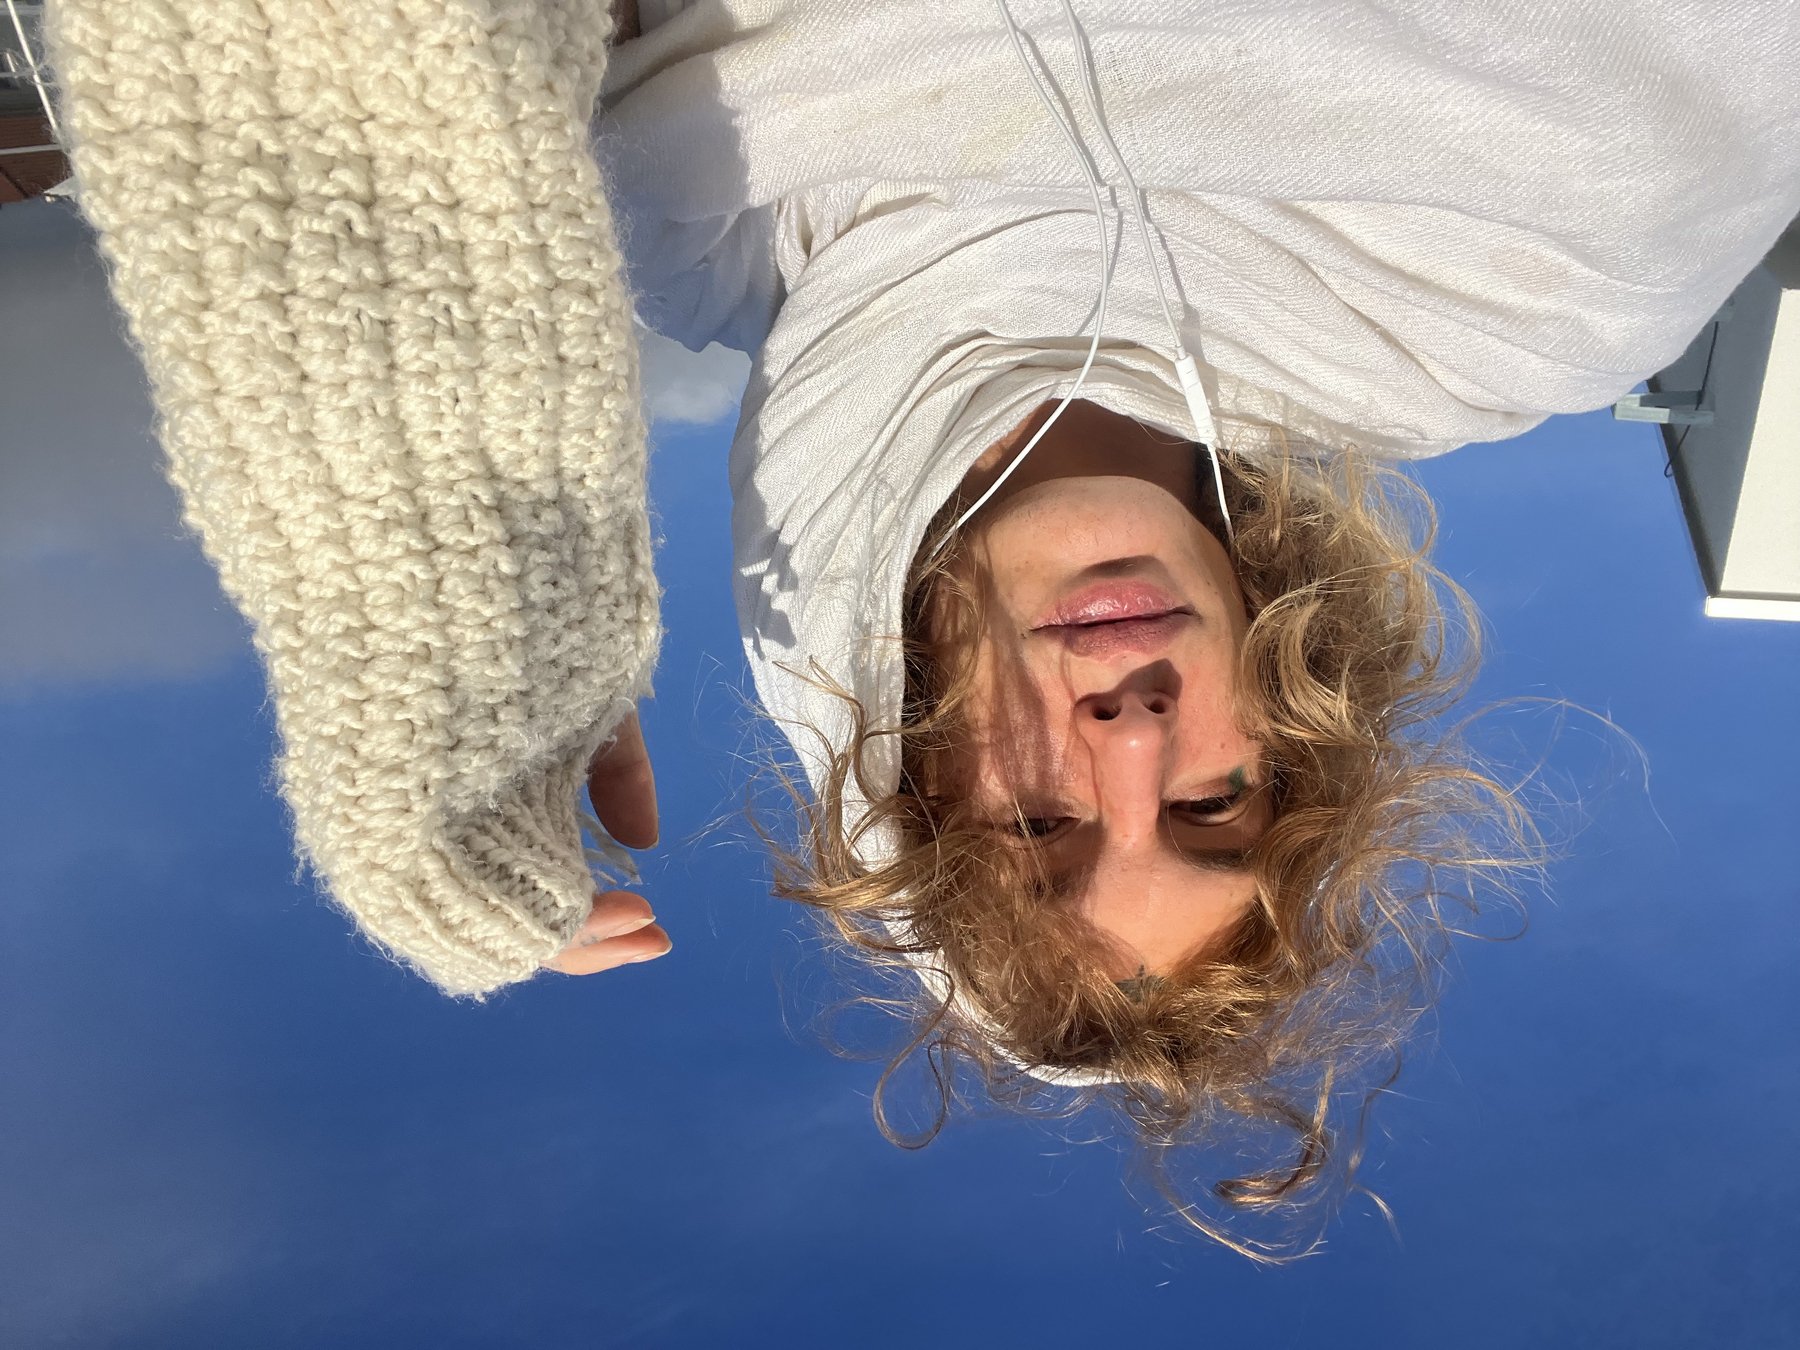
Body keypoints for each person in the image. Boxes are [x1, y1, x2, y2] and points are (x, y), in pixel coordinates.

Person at [45, 0, 1800, 1253]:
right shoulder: (1533, 284)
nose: (1131, 739)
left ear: (901, 753)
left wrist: (439, 537)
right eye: (1214, 805)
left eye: (1037, 827)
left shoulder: (680, 189)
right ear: (1300, 737)